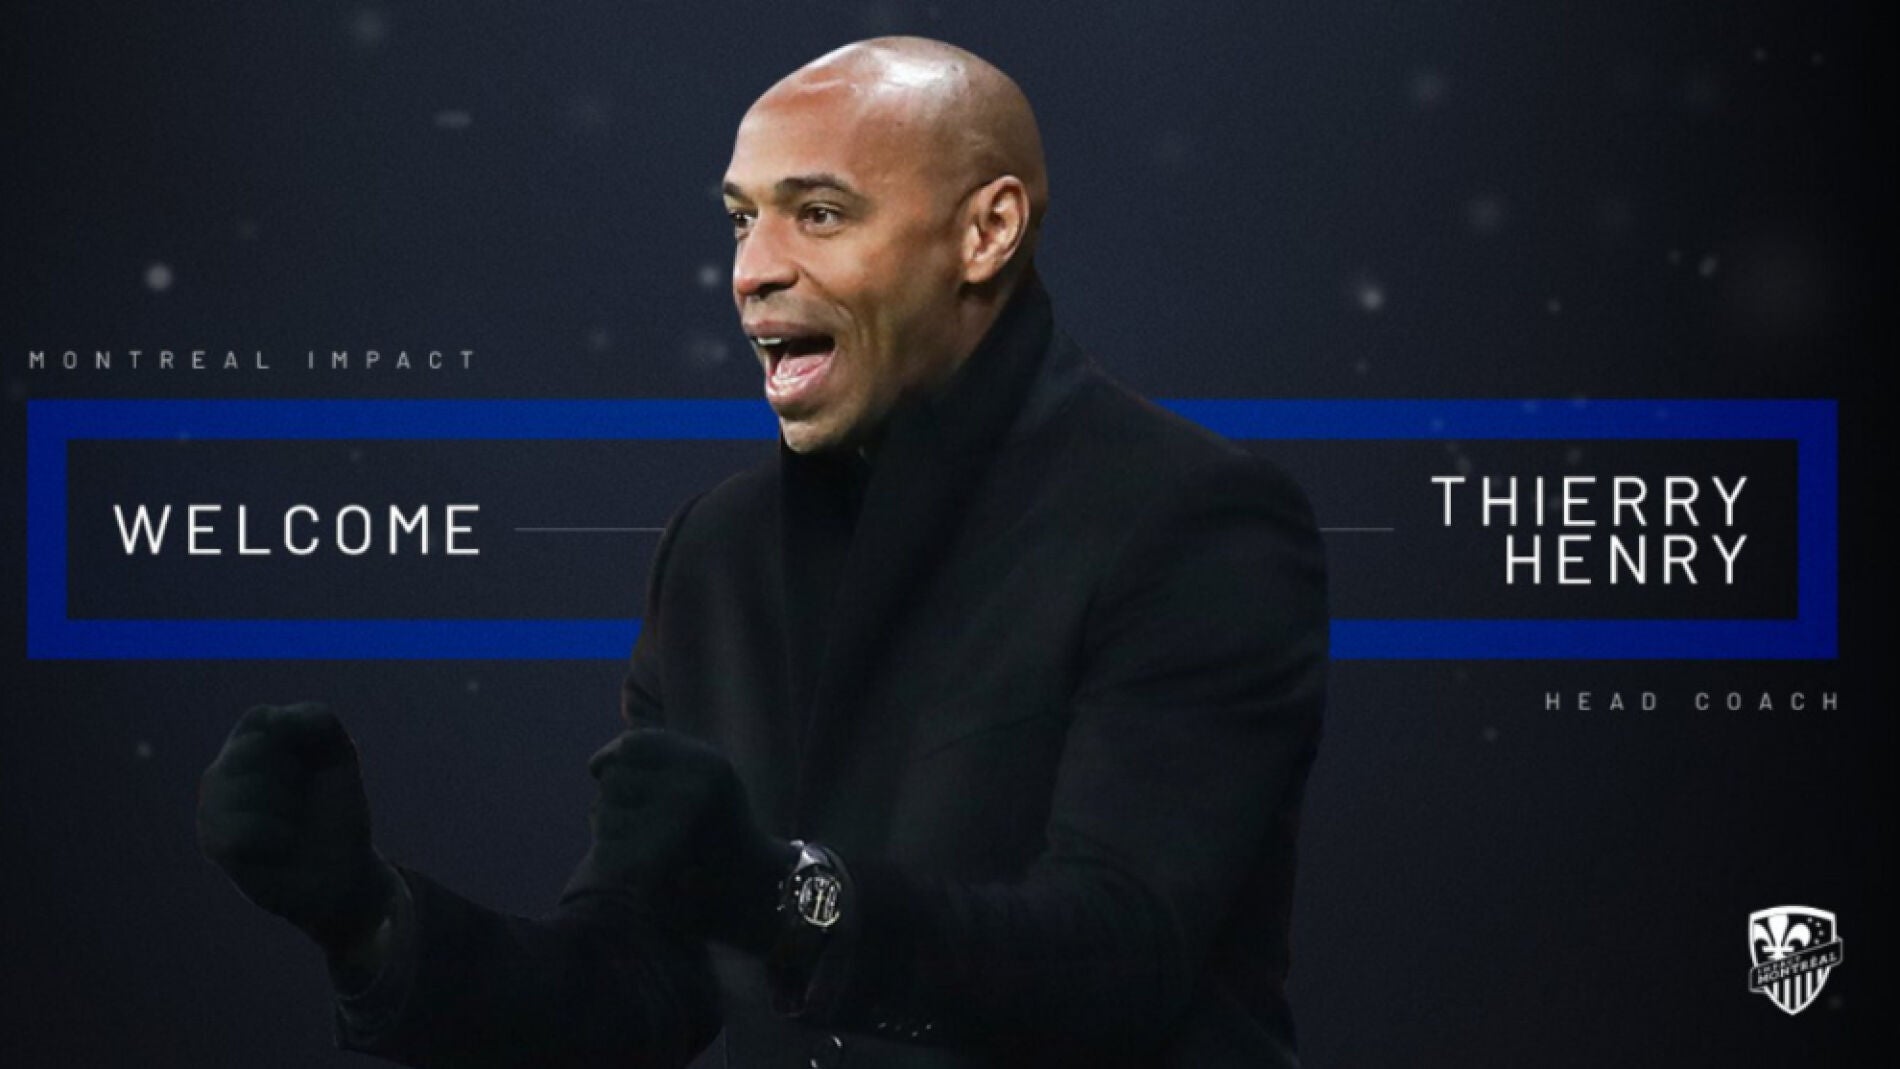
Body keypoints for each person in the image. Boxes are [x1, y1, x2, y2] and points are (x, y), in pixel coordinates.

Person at [197, 36, 1328, 1068]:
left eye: (818, 214)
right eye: (742, 220)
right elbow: (632, 988)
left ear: (985, 233)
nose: (752, 271)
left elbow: (1120, 957)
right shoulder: (715, 556)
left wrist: (783, 897)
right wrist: (369, 920)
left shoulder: (1192, 520)